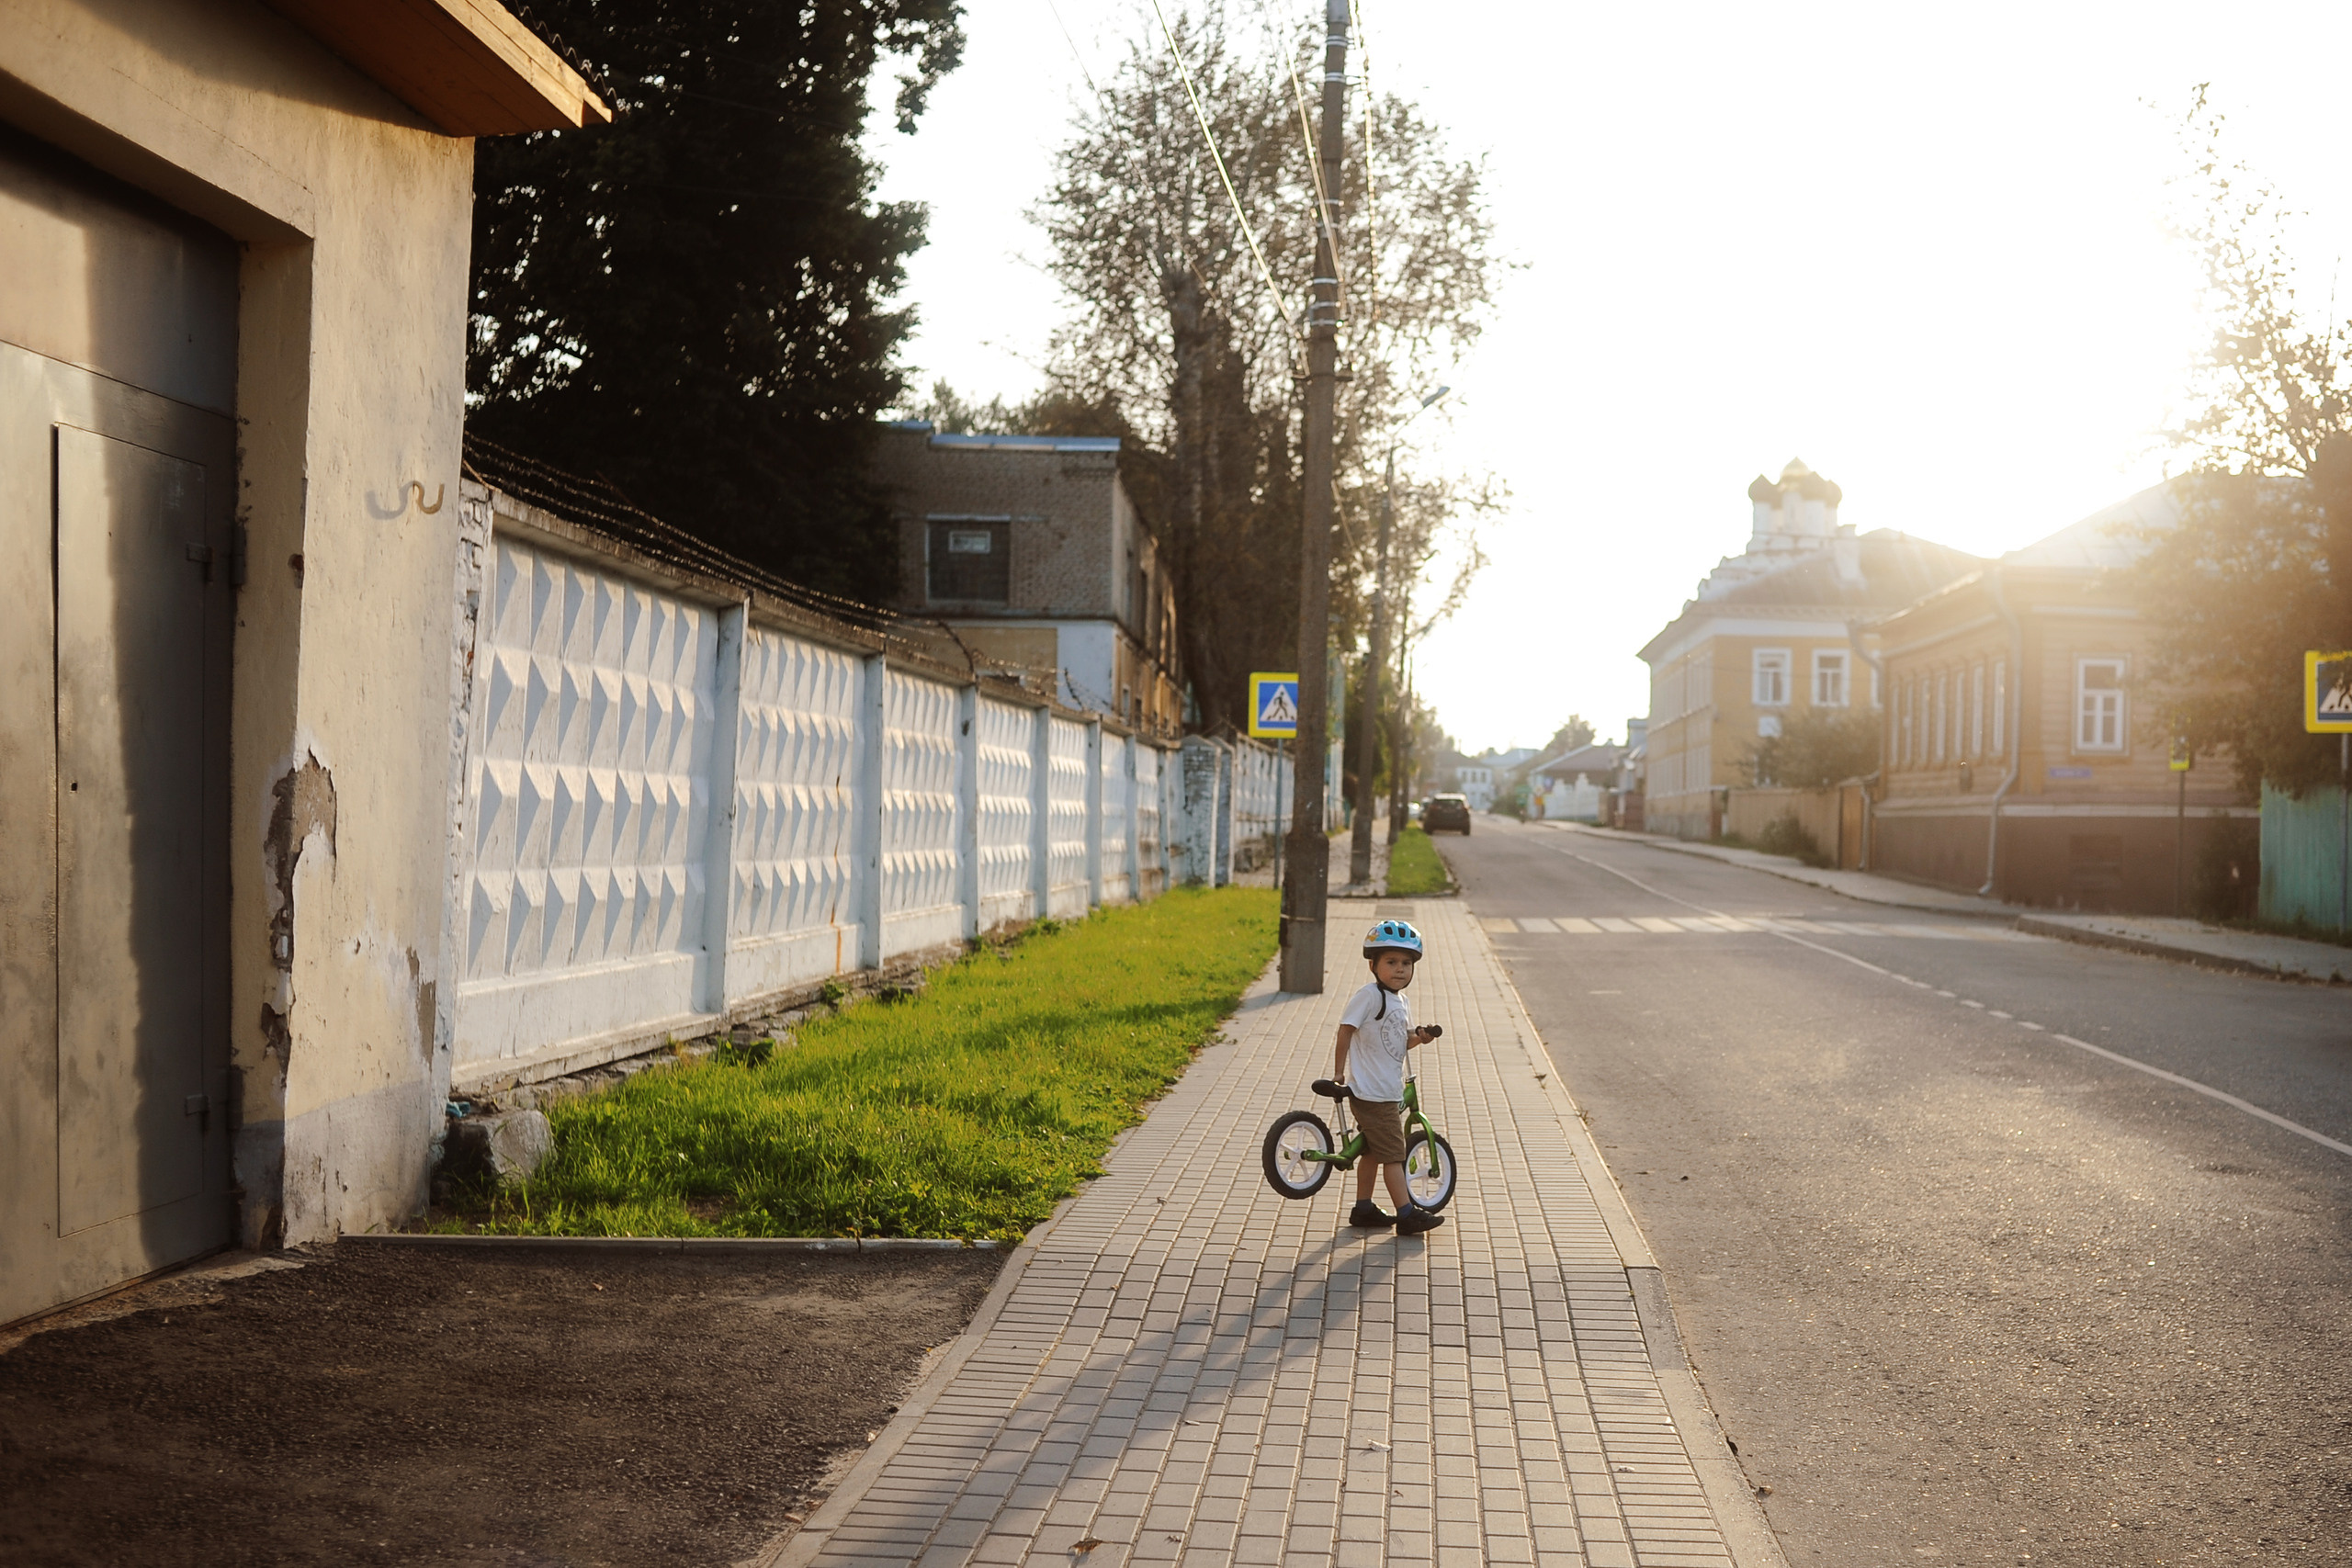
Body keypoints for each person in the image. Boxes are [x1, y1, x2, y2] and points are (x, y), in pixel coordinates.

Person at [1331, 919, 1444, 1235]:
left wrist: (1418, 1038)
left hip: (1386, 1089)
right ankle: (1407, 1214)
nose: (1400, 969)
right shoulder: (1369, 996)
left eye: (1406, 963)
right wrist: (1339, 1071)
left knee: (1370, 1152)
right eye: (1391, 962)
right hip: (1373, 1093)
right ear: (1373, 965)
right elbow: (1345, 1030)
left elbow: (1398, 1040)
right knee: (1395, 1155)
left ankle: (1364, 1208)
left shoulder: (1401, 1001)